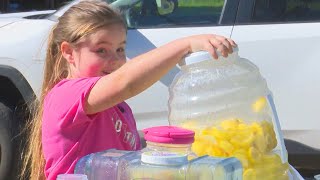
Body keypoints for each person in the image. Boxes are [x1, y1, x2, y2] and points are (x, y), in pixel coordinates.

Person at [21, 0, 237, 179]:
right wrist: (186, 44)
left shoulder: (118, 108)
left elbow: (124, 148)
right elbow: (126, 83)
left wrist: (164, 139)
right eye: (102, 50)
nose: (114, 60)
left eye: (120, 49)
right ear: (68, 52)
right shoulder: (65, 95)